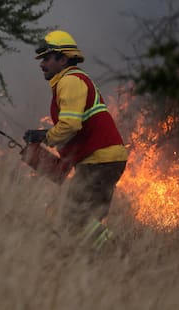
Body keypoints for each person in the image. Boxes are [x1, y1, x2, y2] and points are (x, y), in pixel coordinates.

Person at [25, 30, 129, 249]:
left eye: (47, 57)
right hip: (100, 161)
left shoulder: (70, 81)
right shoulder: (71, 81)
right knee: (81, 217)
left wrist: (45, 136)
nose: (42, 63)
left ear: (63, 59)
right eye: (41, 58)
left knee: (71, 216)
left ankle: (116, 251)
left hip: (100, 161)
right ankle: (106, 255)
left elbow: (71, 125)